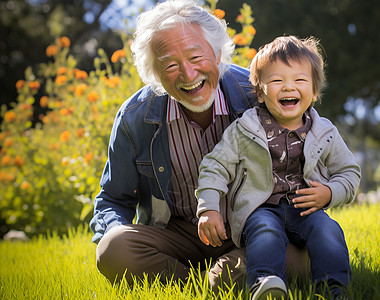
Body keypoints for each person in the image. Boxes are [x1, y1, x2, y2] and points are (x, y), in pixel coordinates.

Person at [89, 0, 307, 289]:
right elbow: (113, 200)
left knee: (303, 259)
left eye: (195, 57)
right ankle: (215, 285)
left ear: (217, 54)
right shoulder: (135, 117)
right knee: (113, 249)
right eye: (170, 65)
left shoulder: (260, 96)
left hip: (252, 230)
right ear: (153, 72)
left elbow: (302, 172)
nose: (189, 75)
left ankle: (207, 283)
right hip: (177, 236)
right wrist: (115, 231)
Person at [196, 35, 361, 299]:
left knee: (328, 230)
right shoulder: (245, 129)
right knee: (265, 231)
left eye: (299, 80)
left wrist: (330, 193)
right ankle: (265, 284)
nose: (288, 87)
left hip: (305, 209)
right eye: (276, 81)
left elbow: (349, 173)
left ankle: (334, 290)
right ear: (260, 93)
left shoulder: (325, 132)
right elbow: (214, 167)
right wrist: (209, 208)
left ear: (315, 91)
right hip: (261, 207)